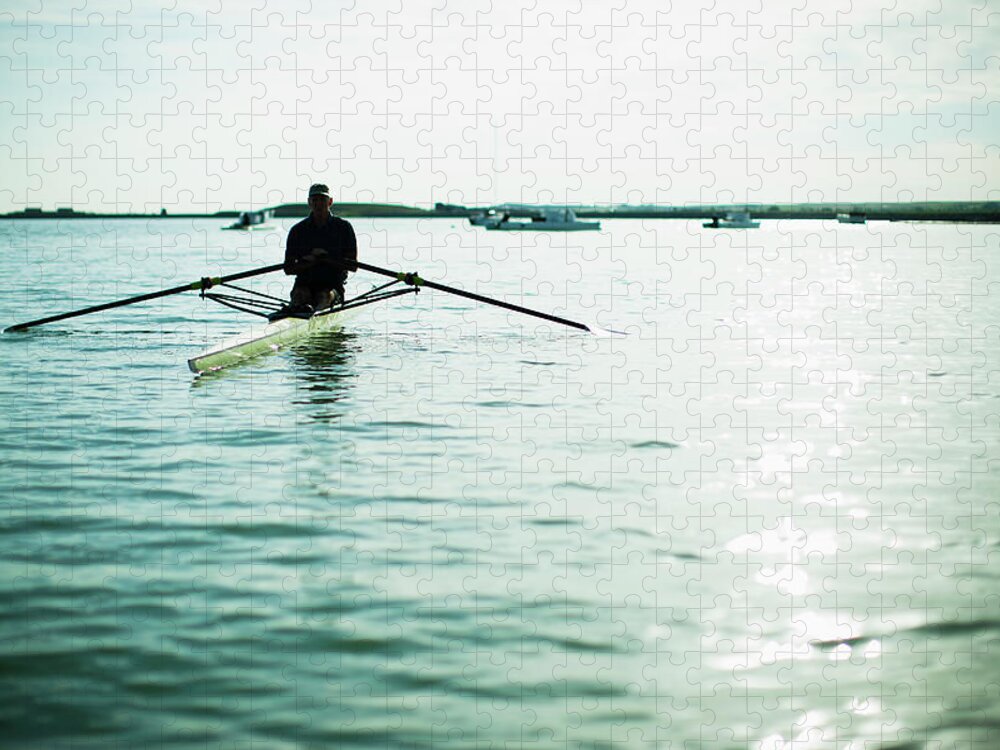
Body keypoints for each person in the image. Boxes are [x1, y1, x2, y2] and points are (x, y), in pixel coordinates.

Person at [280, 183, 357, 317]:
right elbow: (288, 269)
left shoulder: (344, 228)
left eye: (322, 200)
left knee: (324, 296)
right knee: (299, 295)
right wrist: (309, 261)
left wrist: (326, 257)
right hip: (304, 286)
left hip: (332, 287)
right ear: (309, 202)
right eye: (314, 200)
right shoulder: (297, 230)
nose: (318, 203)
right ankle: (297, 313)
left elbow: (353, 266)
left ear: (330, 202)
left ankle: (314, 316)